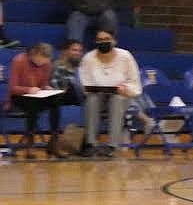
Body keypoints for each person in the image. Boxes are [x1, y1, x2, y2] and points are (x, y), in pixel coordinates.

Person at [79, 28, 141, 157]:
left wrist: (125, 89)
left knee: (116, 100)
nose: (103, 42)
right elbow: (84, 81)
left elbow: (135, 82)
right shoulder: (88, 58)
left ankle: (112, 145)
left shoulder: (125, 56)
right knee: (92, 100)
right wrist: (88, 88)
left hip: (121, 96)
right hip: (97, 95)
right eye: (100, 40)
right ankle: (91, 144)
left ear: (114, 41)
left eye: (106, 39)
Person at [6, 42, 67, 159]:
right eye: (40, 61)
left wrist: (47, 87)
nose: (42, 64)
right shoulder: (19, 60)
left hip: (36, 95)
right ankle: (30, 143)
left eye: (45, 62)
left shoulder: (47, 64)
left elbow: (43, 84)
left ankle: (54, 141)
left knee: (56, 99)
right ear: (34, 54)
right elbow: (13, 88)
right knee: (32, 103)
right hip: (18, 97)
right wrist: (28, 89)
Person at [50, 39, 85, 106]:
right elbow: (59, 89)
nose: (78, 53)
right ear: (65, 51)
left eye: (80, 51)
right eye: (74, 50)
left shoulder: (80, 65)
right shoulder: (57, 66)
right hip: (65, 101)